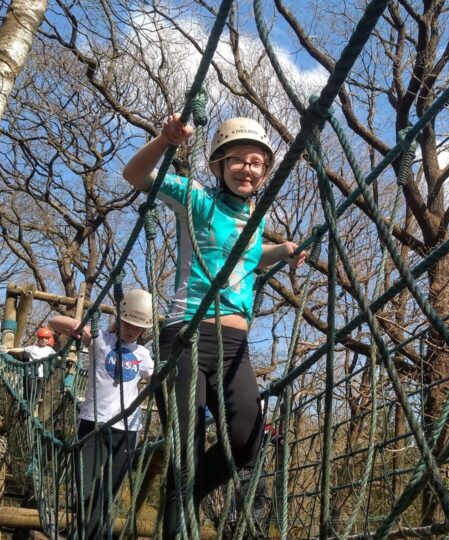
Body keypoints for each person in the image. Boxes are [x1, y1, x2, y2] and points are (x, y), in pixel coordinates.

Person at [122, 114, 306, 533]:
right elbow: (135, 174)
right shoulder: (197, 200)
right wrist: (164, 141)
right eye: (238, 159)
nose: (248, 168)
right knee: (186, 448)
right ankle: (178, 508)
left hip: (235, 345)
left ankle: (183, 493)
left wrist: (284, 250)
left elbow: (248, 257)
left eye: (257, 162)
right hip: (187, 333)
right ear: (219, 165)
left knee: (247, 439)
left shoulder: (255, 222)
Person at [49, 289, 155, 539]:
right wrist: (77, 325)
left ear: (144, 331)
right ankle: (82, 528)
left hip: (127, 430)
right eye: (128, 323)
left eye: (138, 327)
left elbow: (156, 379)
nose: (131, 331)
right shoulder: (100, 340)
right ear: (119, 319)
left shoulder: (143, 355)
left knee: (107, 494)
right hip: (93, 424)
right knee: (84, 489)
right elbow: (54, 322)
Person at [20, 327, 56, 401]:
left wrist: (69, 358)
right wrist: (8, 350)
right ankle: (27, 407)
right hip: (31, 374)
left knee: (37, 394)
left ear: (48, 340)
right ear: (38, 338)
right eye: (42, 338)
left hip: (41, 375)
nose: (44, 340)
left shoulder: (49, 350)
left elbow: (58, 356)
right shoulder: (32, 348)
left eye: (46, 338)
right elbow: (20, 350)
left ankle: (32, 407)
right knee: (30, 393)